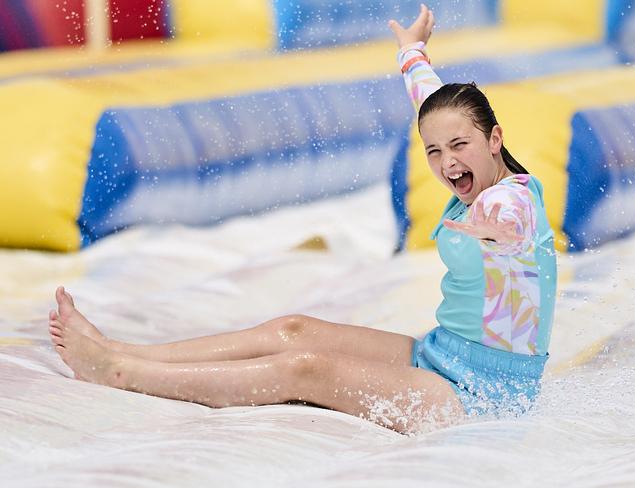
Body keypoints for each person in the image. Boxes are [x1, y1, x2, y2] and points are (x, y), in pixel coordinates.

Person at [48, 4, 556, 434]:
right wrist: (412, 53)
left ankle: (118, 371)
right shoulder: (468, 155)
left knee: (305, 369)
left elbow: (509, 222)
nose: (447, 162)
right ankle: (117, 347)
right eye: (434, 150)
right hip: (441, 353)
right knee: (293, 328)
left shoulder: (512, 202)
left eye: (460, 146)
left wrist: (500, 233)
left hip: (485, 396)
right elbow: (434, 104)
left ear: (495, 139)